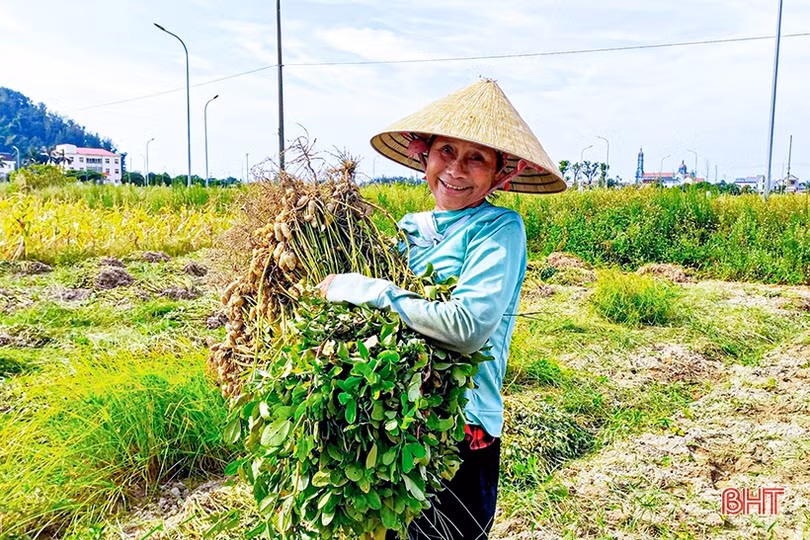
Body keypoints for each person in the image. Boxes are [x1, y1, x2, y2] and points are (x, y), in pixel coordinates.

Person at [319, 79, 566, 539]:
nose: (456, 168)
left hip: (458, 425)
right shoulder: (408, 228)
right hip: (387, 420)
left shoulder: (498, 228)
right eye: (446, 151)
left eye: (477, 158)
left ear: (502, 174)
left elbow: (467, 327)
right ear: (422, 154)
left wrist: (366, 288)